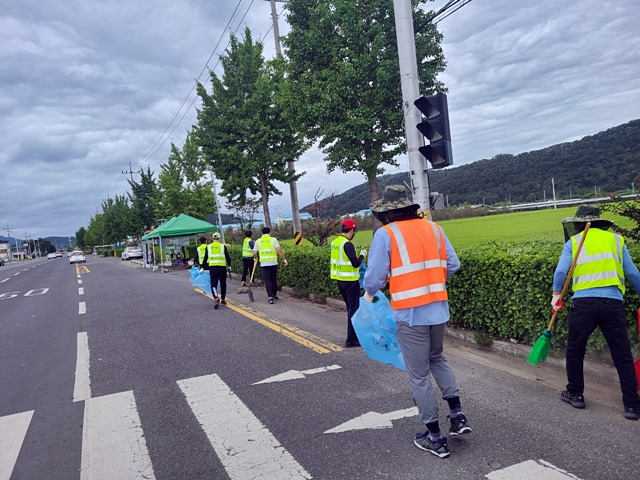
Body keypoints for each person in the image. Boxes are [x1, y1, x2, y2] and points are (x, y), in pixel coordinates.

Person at [363, 185, 471, 459]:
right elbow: (453, 264)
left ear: (387, 213)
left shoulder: (386, 234)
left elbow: (374, 277)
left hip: (410, 314)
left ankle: (434, 437)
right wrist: (431, 281)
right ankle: (458, 417)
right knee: (438, 358)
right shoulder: (434, 229)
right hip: (438, 310)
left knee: (419, 374)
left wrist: (369, 293)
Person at [552, 205, 640, 421]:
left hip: (583, 305)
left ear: (579, 224)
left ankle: (575, 394)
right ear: (600, 222)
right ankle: (632, 406)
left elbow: (561, 271)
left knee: (575, 350)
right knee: (622, 354)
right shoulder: (617, 241)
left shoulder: (573, 242)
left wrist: (556, 295)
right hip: (613, 304)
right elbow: (632, 273)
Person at [330, 219, 367, 348]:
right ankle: (351, 340)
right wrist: (362, 256)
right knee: (353, 310)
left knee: (351, 309)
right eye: (354, 231)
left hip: (340, 281)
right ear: (351, 230)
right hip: (351, 282)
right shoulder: (348, 245)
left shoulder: (335, 242)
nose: (354, 233)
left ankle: (354, 337)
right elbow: (355, 263)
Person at [253, 227, 287, 304]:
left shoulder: (258, 241)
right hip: (273, 263)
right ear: (269, 233)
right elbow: (279, 250)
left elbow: (254, 253)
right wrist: (284, 260)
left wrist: (255, 258)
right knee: (273, 279)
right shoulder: (274, 240)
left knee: (267, 281)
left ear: (261, 233)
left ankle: (270, 296)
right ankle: (274, 295)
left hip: (264, 264)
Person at [208, 232, 231, 310]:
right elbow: (228, 257)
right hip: (222, 268)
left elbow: (205, 259)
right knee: (223, 284)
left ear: (212, 239)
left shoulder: (208, 247)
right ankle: (223, 300)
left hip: (213, 268)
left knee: (213, 285)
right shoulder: (222, 246)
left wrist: (202, 267)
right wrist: (230, 266)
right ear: (219, 239)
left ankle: (216, 297)